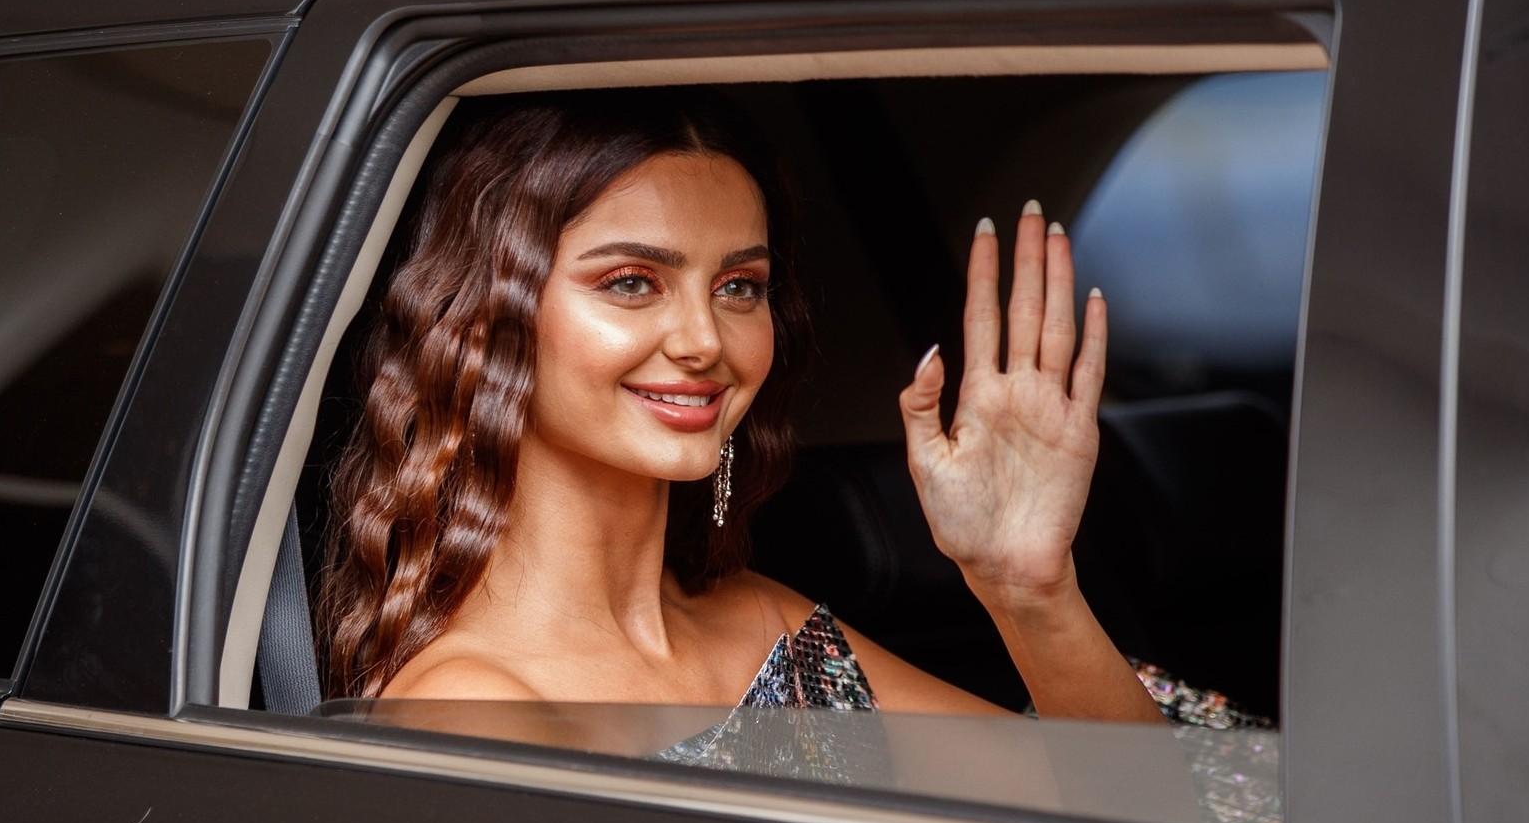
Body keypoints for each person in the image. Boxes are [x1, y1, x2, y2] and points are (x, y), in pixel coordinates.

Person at [319, 88, 1163, 726]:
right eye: (630, 282)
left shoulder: (765, 623)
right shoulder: (477, 705)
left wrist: (1027, 588)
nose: (702, 340)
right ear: (489, 322)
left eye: (738, 287)